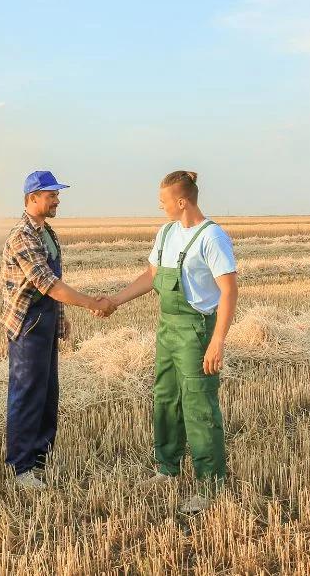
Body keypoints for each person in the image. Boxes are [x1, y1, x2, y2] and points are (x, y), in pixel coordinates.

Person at [104, 170, 238, 513]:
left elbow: (228, 290)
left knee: (199, 407)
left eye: (164, 201)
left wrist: (217, 341)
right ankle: (167, 467)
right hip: (167, 328)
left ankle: (209, 485)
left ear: (182, 201)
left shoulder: (212, 237)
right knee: (164, 399)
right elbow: (151, 276)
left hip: (196, 330)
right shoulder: (165, 233)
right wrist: (115, 301)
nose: (160, 206)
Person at [0, 170, 115, 490]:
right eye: (51, 195)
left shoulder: (47, 233)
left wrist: (61, 317)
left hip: (47, 319)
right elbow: (46, 283)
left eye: (56, 194)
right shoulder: (22, 235)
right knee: (26, 394)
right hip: (27, 323)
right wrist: (91, 302)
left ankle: (40, 459)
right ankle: (21, 467)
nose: (57, 200)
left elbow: (55, 279)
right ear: (32, 198)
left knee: (48, 393)